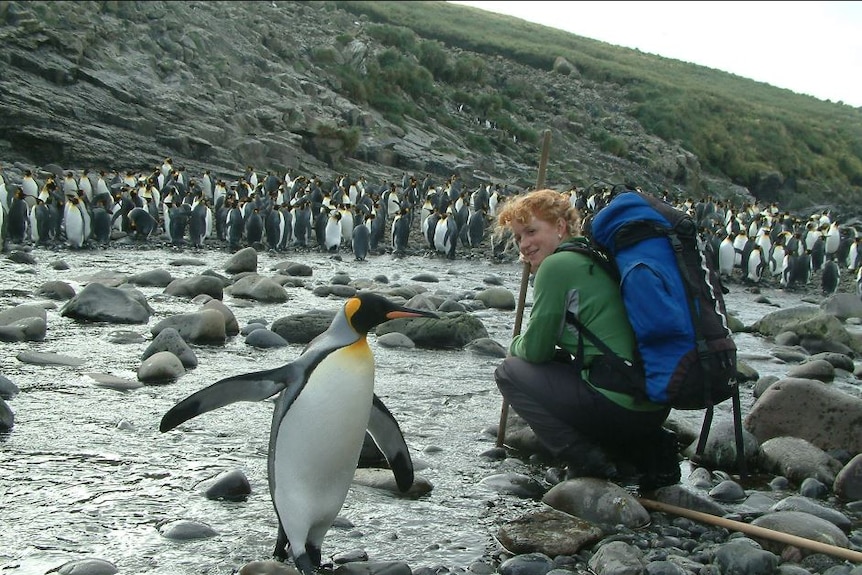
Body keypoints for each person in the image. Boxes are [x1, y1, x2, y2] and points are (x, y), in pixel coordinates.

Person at [493, 188, 680, 491]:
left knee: (509, 372)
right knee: (565, 363)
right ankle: (647, 447)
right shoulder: (594, 257)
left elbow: (536, 350)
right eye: (518, 238)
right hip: (651, 404)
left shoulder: (556, 266)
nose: (524, 245)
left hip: (618, 407)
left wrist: (514, 345)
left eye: (531, 231)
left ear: (560, 227)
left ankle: (583, 458)